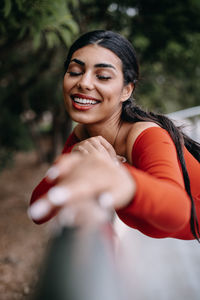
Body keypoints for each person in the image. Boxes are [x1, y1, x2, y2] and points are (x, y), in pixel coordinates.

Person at [28, 30, 200, 241]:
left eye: (103, 76)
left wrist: (121, 176)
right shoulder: (82, 138)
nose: (84, 83)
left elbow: (178, 211)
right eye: (74, 71)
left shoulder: (147, 136)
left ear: (126, 90)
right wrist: (75, 157)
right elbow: (40, 208)